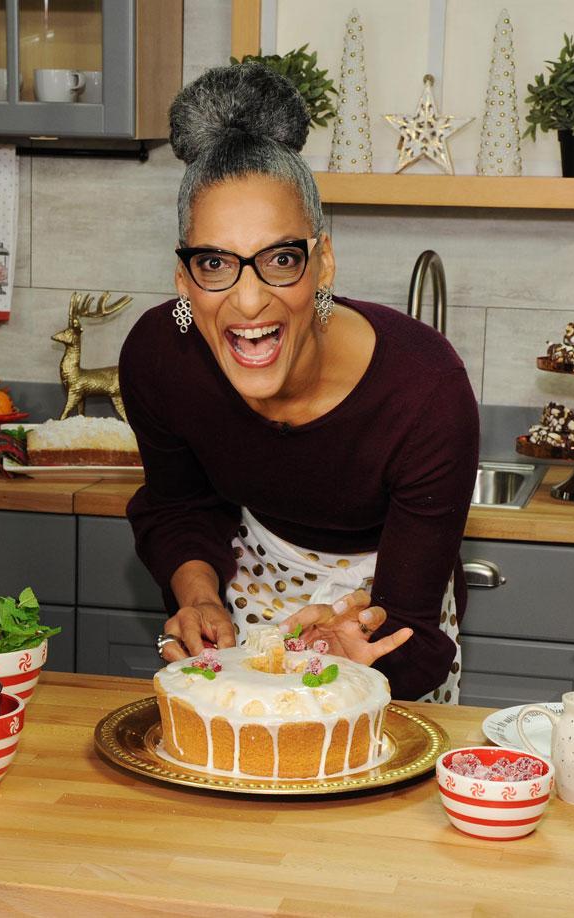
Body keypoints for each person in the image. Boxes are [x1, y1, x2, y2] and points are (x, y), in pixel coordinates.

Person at [118, 63, 479, 702]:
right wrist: (200, 597)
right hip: (246, 581)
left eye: (281, 260)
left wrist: (366, 645)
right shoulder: (159, 357)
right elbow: (178, 506)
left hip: (382, 609)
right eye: (214, 263)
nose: (249, 300)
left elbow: (412, 630)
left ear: (323, 264)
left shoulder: (426, 392)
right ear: (183, 280)